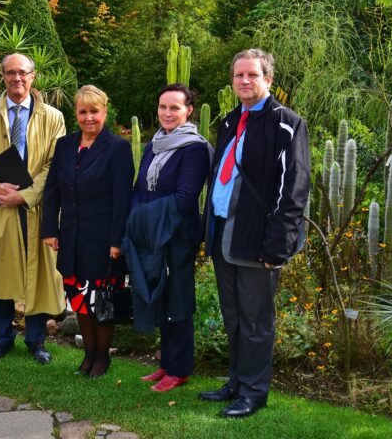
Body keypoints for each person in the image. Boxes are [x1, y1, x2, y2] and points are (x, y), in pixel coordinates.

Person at [198, 49, 310, 417]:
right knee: (233, 316)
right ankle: (236, 381)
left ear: (268, 80)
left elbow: (294, 192)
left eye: (252, 75)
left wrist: (277, 247)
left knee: (256, 321)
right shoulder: (230, 121)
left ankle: (254, 392)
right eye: (238, 76)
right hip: (223, 238)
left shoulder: (287, 124)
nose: (244, 81)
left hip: (257, 240)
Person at [0, 53, 66, 364]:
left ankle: (36, 341)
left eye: (22, 73)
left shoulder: (53, 117)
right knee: (1, 271)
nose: (16, 78)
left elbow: (54, 164)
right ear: (2, 77)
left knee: (39, 273)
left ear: (33, 77)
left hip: (35, 208)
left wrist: (28, 194)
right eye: (10, 73)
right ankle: (3, 338)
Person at [122, 84, 211, 391]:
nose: (168, 113)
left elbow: (185, 199)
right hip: (151, 234)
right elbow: (139, 189)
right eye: (163, 107)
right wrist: (135, 217)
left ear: (189, 111)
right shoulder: (153, 145)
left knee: (179, 299)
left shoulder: (195, 149)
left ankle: (181, 368)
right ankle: (166, 364)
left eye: (175, 107)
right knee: (159, 294)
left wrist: (141, 216)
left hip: (178, 235)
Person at [41, 85, 134, 378]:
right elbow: (52, 190)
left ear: (104, 112)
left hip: (103, 240)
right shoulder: (65, 146)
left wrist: (117, 241)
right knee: (79, 299)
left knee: (100, 299)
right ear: (76, 114)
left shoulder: (118, 148)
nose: (89, 117)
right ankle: (88, 355)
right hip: (71, 238)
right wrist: (50, 230)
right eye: (83, 111)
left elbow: (123, 198)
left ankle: (102, 358)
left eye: (94, 111)